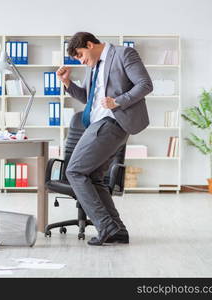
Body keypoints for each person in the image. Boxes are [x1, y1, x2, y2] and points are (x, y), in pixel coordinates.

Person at [56, 32, 152, 246]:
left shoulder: (123, 54)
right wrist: (67, 83)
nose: (81, 61)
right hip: (98, 122)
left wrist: (118, 101)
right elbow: (88, 99)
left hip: (111, 123)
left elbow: (145, 84)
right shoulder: (94, 66)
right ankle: (117, 230)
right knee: (94, 177)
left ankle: (105, 225)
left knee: (74, 171)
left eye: (81, 55)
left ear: (89, 44)